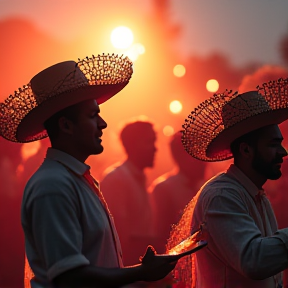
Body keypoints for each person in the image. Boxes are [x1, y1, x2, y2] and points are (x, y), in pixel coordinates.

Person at [0, 54, 179, 288]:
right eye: (93, 115)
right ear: (66, 125)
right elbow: (70, 275)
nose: (102, 123)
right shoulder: (53, 185)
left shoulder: (75, 179)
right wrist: (141, 273)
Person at [167, 78, 288, 288]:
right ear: (246, 150)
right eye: (273, 144)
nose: (283, 153)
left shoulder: (256, 195)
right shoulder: (222, 195)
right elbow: (254, 261)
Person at [100, 119, 157, 268]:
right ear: (134, 145)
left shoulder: (140, 178)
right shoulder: (117, 179)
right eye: (149, 142)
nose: (155, 148)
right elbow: (120, 239)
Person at [149, 131, 206, 253]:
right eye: (197, 153)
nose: (203, 160)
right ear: (181, 157)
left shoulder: (206, 185)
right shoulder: (164, 188)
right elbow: (161, 235)